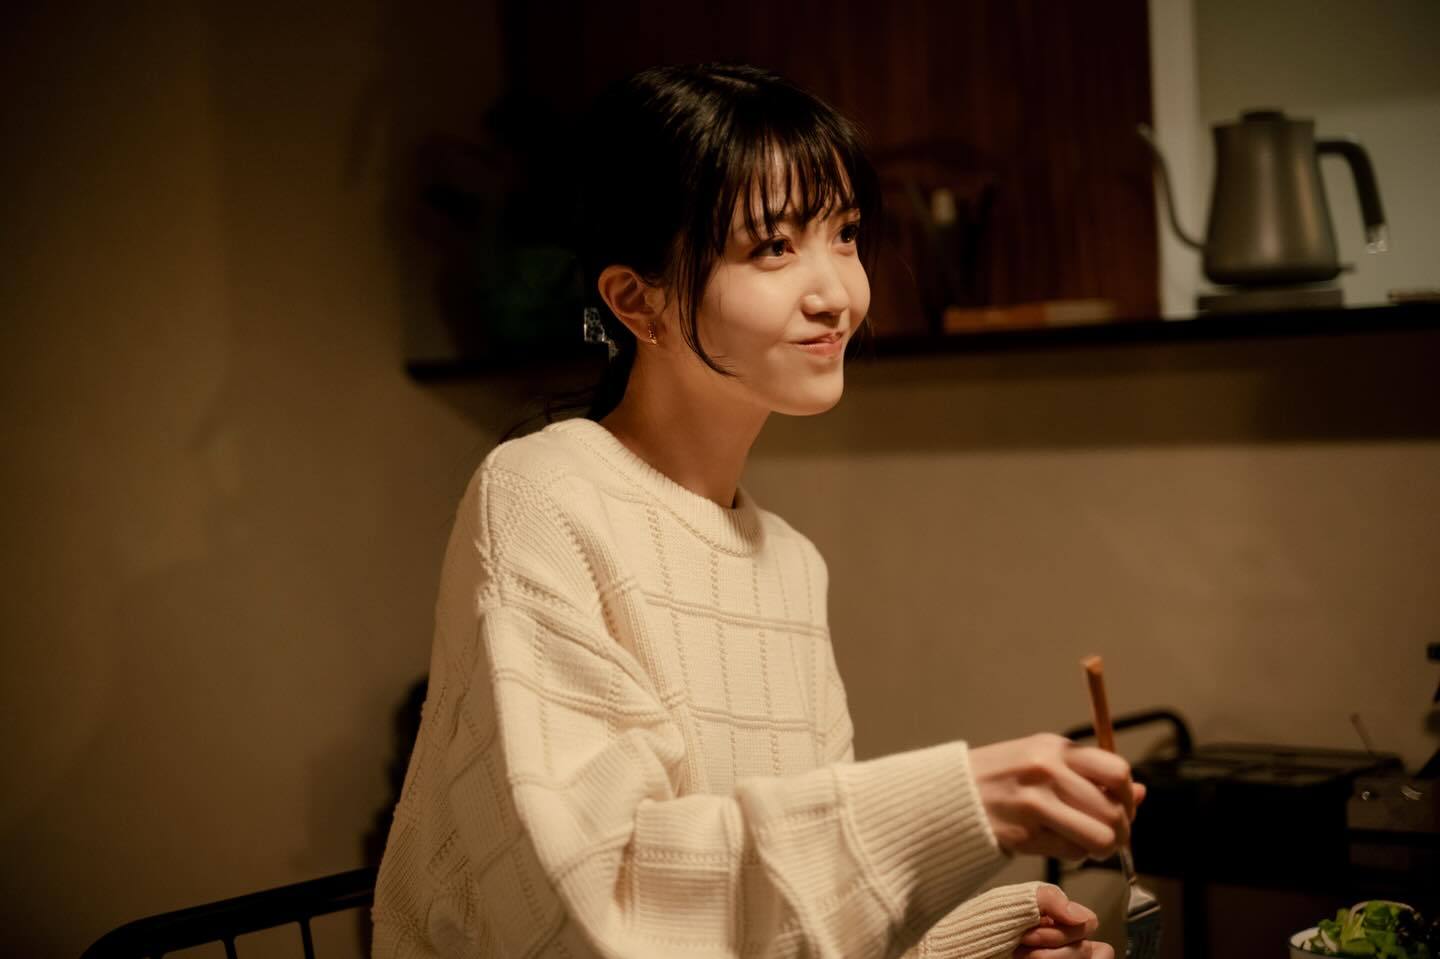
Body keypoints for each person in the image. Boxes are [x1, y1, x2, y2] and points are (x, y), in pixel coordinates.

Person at [372, 63, 1145, 959]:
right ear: (637, 301)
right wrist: (960, 800)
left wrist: (981, 947)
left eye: (845, 235)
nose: (837, 294)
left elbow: (783, 926)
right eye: (773, 246)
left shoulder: (789, 562)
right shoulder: (540, 496)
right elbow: (597, 905)